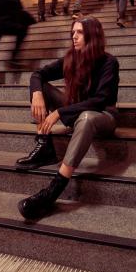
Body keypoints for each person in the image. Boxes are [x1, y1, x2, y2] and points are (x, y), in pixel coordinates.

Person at [16, 16, 119, 220]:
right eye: (72, 32)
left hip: (103, 116)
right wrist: (37, 94)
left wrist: (59, 113)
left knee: (87, 117)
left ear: (93, 35)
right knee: (41, 87)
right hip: (76, 113)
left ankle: (52, 192)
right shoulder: (71, 59)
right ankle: (45, 145)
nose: (74, 36)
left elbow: (100, 100)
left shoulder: (109, 62)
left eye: (79, 32)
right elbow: (38, 74)